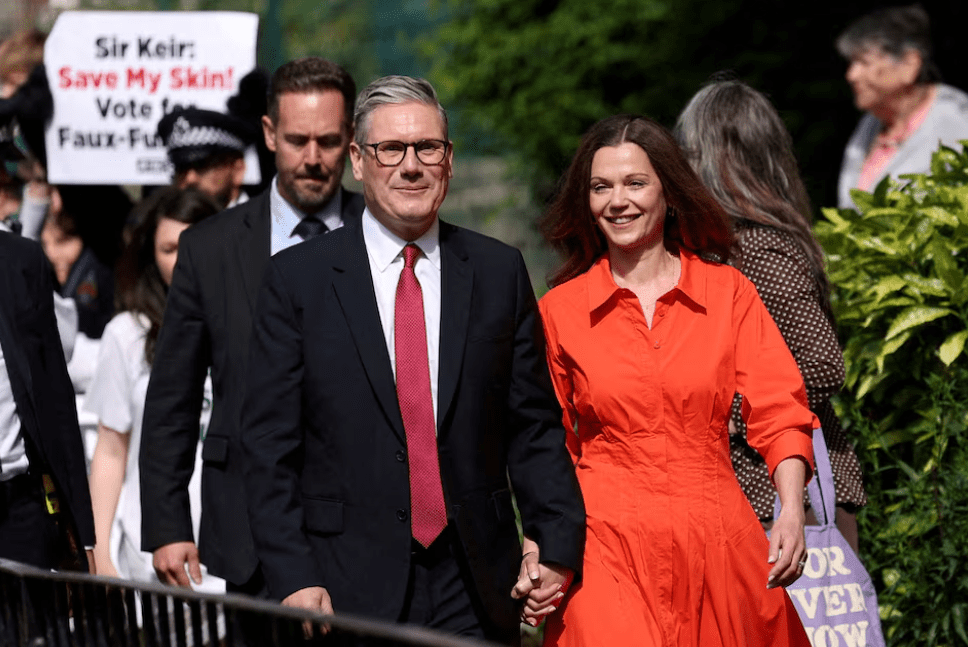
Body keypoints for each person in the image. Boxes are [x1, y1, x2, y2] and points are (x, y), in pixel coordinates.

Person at [240, 75, 585, 644]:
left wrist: (553, 541)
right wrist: (293, 574)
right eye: (391, 149)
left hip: (476, 583)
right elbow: (269, 445)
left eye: (428, 148)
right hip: (345, 584)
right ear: (357, 160)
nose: (411, 165)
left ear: (449, 160)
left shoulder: (498, 272)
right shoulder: (297, 280)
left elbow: (533, 428)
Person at [534, 114, 815, 646]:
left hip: (718, 535)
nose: (618, 201)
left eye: (635, 183)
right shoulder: (559, 312)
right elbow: (545, 446)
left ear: (669, 191)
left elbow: (780, 410)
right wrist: (541, 544)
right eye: (601, 187)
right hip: (604, 542)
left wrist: (791, 512)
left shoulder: (728, 293)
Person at [139, 57, 364, 602]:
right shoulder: (209, 249)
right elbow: (174, 394)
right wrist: (168, 524)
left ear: (353, 139)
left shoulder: (381, 235)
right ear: (267, 134)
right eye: (297, 140)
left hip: (365, 526)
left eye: (329, 141)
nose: (312, 159)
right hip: (245, 528)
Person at [675, 79, 868, 551]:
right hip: (775, 497)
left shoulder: (758, 249)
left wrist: (734, 414)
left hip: (789, 503)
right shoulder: (742, 245)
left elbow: (822, 362)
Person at [85, 188, 224, 594]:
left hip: (237, 557)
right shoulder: (126, 335)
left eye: (196, 244)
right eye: (169, 248)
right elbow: (110, 451)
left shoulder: (255, 325)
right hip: (152, 561)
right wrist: (101, 554)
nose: (184, 260)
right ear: (150, 256)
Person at [0, 229, 94, 571]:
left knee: (31, 626)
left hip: (20, 506)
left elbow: (55, 397)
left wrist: (82, 533)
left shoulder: (20, 259)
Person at [836, 4, 968, 208]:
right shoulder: (871, 124)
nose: (851, 75)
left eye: (864, 62)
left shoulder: (958, 119)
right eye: (851, 64)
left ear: (909, 64)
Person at [157, 107, 257, 210]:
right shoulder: (162, 223)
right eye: (181, 167)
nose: (190, 179)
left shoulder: (263, 223)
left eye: (202, 165)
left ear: (238, 170)